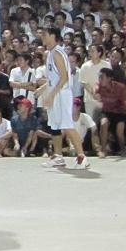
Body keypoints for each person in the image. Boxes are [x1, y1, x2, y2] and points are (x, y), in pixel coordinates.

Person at [38, 26, 90, 170]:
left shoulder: (57, 53)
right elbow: (53, 78)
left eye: (45, 34)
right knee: (55, 125)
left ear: (52, 36)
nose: (42, 37)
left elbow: (64, 77)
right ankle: (58, 156)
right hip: (55, 92)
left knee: (67, 125)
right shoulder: (50, 53)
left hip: (61, 94)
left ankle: (82, 157)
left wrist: (51, 95)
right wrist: (42, 89)